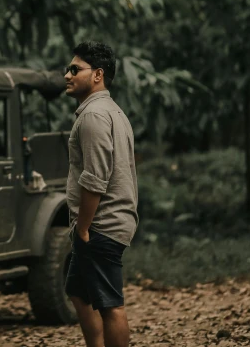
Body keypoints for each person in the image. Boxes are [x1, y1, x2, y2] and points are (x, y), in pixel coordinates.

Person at [63, 42, 139, 347]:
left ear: (98, 75)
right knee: (78, 292)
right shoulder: (112, 111)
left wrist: (83, 227)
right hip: (105, 222)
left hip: (101, 225)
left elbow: (95, 179)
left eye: (74, 69)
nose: (66, 75)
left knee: (110, 305)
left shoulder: (93, 116)